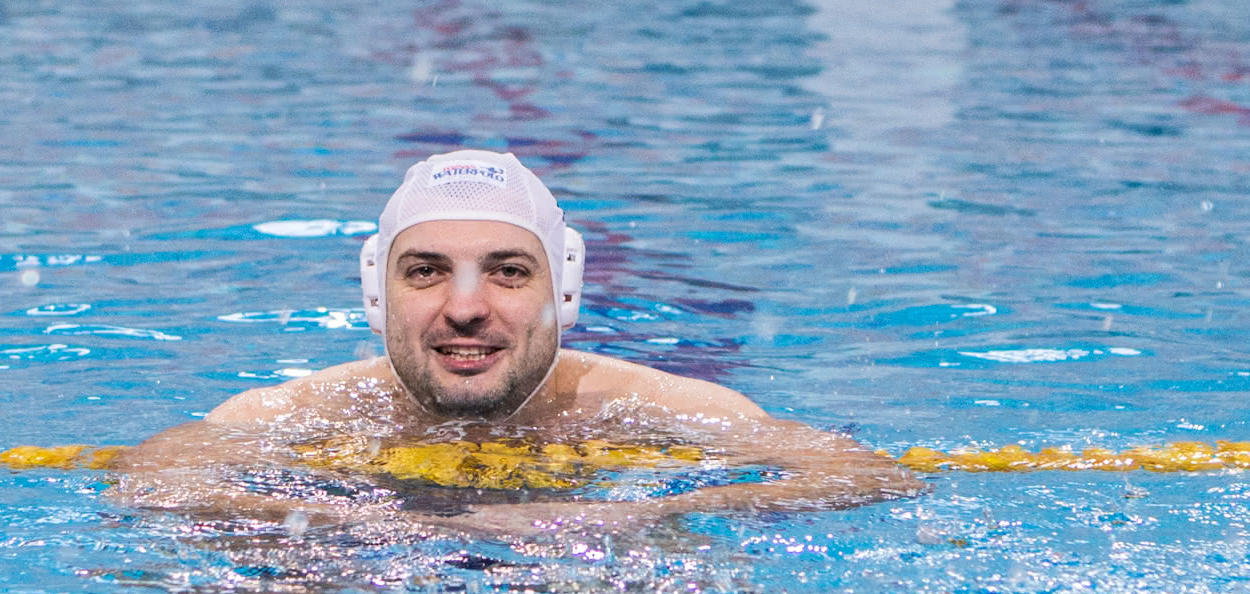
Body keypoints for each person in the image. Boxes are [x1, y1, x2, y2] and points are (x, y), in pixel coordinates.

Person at [116, 149, 924, 533]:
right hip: (368, 576)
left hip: (586, 583)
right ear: (377, 293)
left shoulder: (646, 407)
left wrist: (633, 522)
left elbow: (860, 473)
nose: (466, 308)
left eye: (506, 271)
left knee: (670, 576)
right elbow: (152, 473)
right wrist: (325, 523)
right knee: (268, 578)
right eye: (427, 271)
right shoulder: (313, 408)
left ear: (561, 291)